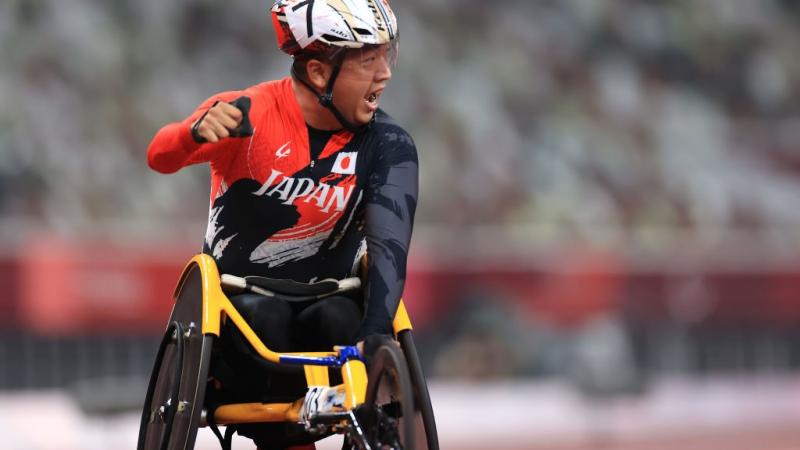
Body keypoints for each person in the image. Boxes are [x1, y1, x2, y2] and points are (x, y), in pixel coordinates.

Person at [146, 1, 417, 448]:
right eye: (369, 60)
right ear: (317, 72)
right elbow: (159, 156)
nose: (385, 73)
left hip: (331, 306)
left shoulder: (390, 145)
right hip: (239, 310)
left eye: (387, 55)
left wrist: (376, 332)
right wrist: (190, 132)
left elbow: (389, 246)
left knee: (338, 318)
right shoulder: (245, 114)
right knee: (267, 319)